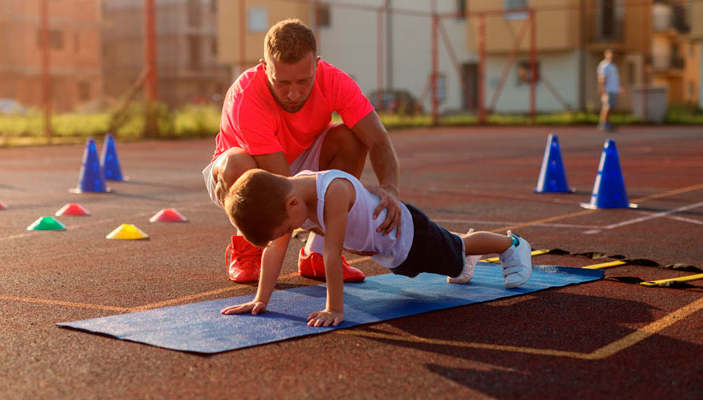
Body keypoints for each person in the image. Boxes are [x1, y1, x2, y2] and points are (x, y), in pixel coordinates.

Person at [203, 18, 402, 284]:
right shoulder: (246, 97)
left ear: (317, 65)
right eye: (282, 82)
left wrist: (390, 187)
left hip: (301, 157)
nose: (294, 93)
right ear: (265, 68)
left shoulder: (334, 80)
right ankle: (248, 247)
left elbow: (378, 140)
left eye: (303, 81)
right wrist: (347, 225)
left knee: (351, 138)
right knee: (236, 164)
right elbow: (284, 190)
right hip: (247, 173)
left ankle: (318, 254)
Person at [220, 169, 533, 327]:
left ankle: (513, 244)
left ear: (291, 204)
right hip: (393, 253)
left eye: (288, 229)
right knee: (454, 258)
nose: (291, 233)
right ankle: (466, 255)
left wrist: (335, 309)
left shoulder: (333, 191)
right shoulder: (290, 200)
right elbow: (274, 250)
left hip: (412, 235)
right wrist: (260, 299)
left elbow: (331, 253)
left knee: (458, 251)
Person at [597, 49, 623, 132]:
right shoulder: (604, 65)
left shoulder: (613, 66)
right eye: (610, 55)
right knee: (606, 107)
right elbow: (601, 78)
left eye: (613, 55)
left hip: (613, 89)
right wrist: (602, 89)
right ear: (606, 55)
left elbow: (616, 79)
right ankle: (603, 124)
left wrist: (620, 88)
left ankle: (608, 122)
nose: (612, 56)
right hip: (607, 90)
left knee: (611, 107)